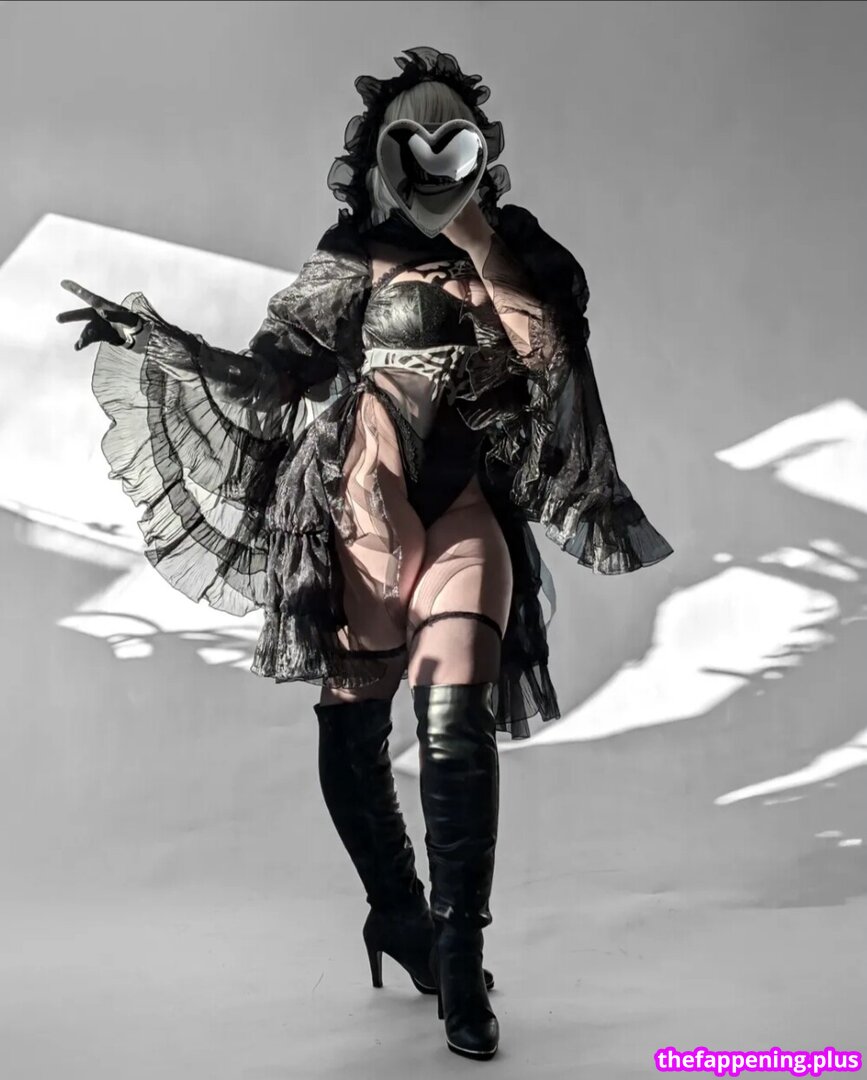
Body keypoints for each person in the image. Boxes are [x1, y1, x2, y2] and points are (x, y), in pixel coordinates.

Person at [57, 46, 673, 1061]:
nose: (430, 158)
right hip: (360, 514)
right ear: (380, 154)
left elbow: (551, 358)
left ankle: (460, 960)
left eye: (451, 140)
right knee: (354, 727)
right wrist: (168, 345)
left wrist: (473, 232)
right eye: (409, 141)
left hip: (465, 511)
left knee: (454, 722)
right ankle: (396, 909)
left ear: (482, 151)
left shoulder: (517, 249)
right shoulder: (350, 258)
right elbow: (274, 379)